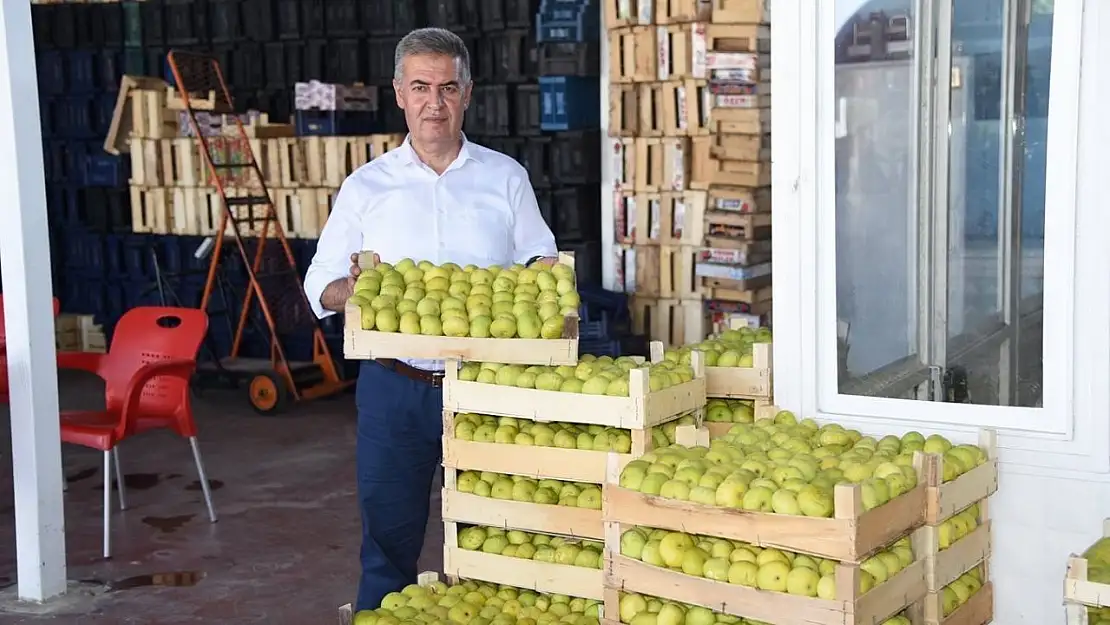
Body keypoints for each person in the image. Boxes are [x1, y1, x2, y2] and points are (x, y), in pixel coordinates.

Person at [302, 28, 559, 612]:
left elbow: (542, 260)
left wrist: (543, 273)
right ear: (399, 93)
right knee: (388, 543)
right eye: (421, 87)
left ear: (467, 93)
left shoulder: (506, 178)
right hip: (396, 386)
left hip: (488, 389)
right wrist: (354, 287)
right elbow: (319, 285)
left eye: (447, 87)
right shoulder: (366, 187)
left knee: (497, 536)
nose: (433, 103)